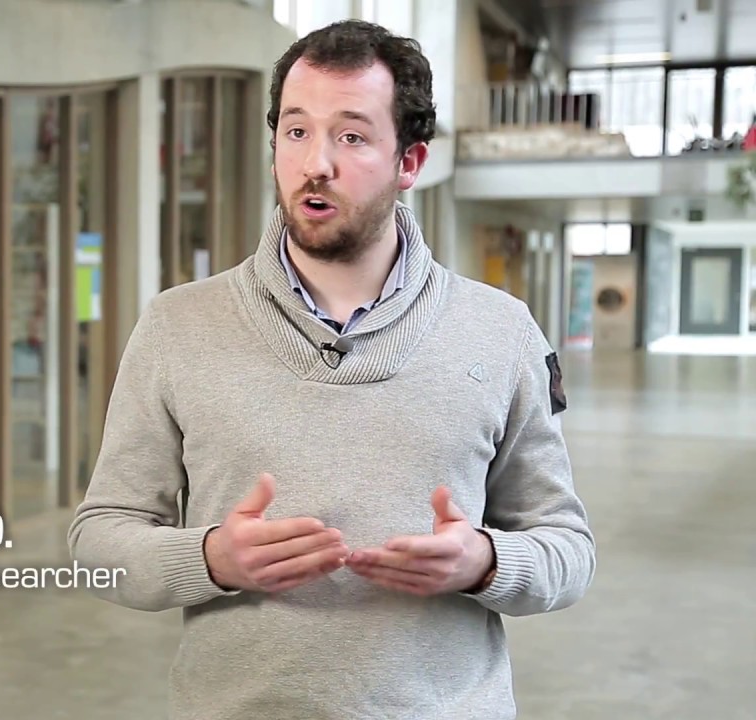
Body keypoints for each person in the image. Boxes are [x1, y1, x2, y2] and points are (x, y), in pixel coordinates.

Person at [67, 18, 595, 720]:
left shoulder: (500, 331)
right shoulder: (177, 325)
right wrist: (212, 558)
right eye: (296, 131)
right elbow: (100, 540)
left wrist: (485, 562)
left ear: (410, 162)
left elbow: (568, 550)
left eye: (351, 136)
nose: (316, 163)